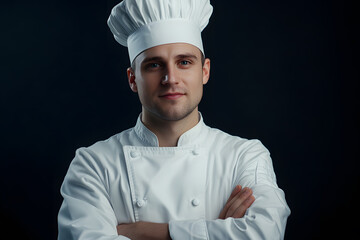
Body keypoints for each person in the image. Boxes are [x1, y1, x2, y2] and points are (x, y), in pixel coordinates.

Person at [57, 0, 291, 239]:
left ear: (204, 71)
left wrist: (147, 232)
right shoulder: (94, 165)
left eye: (184, 62)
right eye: (154, 65)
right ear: (132, 79)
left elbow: (265, 232)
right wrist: (213, 232)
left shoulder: (245, 156)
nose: (170, 78)